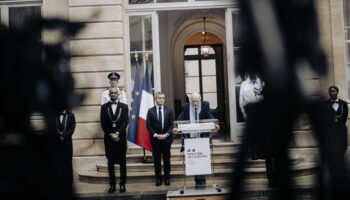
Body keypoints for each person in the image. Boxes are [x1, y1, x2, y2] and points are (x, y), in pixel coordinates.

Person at [173, 93, 219, 188]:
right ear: (190, 100)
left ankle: (201, 181)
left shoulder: (205, 105)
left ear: (200, 99)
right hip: (191, 139)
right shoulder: (185, 107)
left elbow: (210, 116)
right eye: (193, 101)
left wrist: (215, 124)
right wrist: (176, 128)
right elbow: (180, 118)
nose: (195, 103)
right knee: (194, 159)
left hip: (203, 138)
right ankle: (197, 180)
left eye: (197, 101)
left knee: (202, 159)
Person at [239, 74, 275, 187]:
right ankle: (255, 153)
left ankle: (263, 153)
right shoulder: (244, 84)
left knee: (266, 139)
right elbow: (242, 101)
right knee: (254, 136)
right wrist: (245, 114)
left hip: (265, 115)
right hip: (252, 114)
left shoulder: (263, 82)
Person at [100, 87, 129, 193]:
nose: (113, 94)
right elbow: (103, 123)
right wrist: (111, 134)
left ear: (118, 94)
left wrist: (117, 133)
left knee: (122, 162)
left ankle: (122, 184)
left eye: (115, 93)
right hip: (109, 139)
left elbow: (125, 121)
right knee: (110, 163)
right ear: (109, 94)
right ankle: (112, 185)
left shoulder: (124, 107)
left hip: (120, 138)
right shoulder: (104, 107)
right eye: (111, 93)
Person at [146, 92, 174, 186]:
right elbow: (148, 125)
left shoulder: (169, 111)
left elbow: (171, 125)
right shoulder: (150, 111)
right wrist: (155, 135)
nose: (161, 99)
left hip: (166, 140)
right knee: (157, 160)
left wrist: (167, 134)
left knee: (167, 160)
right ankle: (158, 179)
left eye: (163, 98)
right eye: (159, 98)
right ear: (155, 99)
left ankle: (167, 178)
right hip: (155, 140)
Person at [55, 109, 76, 190]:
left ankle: (69, 184)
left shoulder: (71, 115)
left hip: (67, 144)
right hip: (56, 144)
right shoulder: (54, 114)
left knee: (68, 163)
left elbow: (72, 128)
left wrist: (63, 137)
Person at [325, 86, 348, 156]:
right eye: (330, 91)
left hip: (341, 128)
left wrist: (340, 124)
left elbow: (345, 116)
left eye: (333, 91)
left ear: (337, 92)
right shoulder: (325, 104)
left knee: (342, 145)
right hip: (330, 129)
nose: (332, 93)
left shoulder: (343, 104)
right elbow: (324, 117)